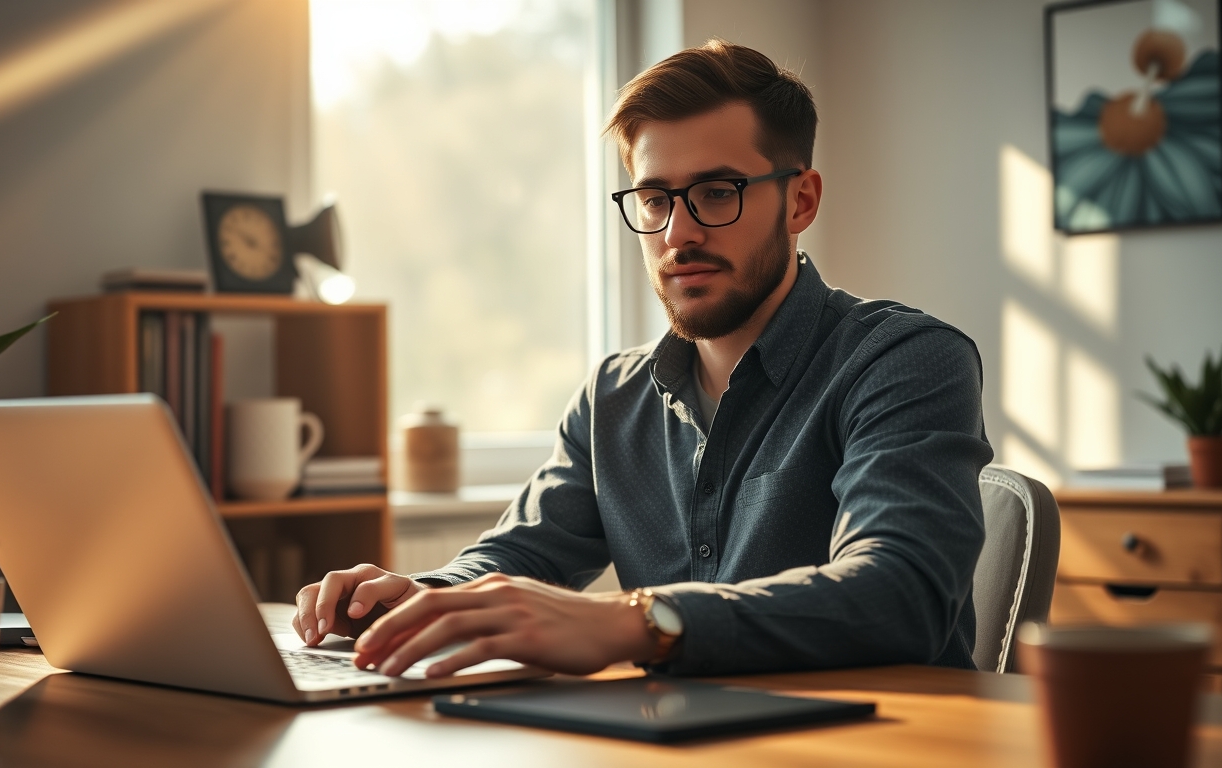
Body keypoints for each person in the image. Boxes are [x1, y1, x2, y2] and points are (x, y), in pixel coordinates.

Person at [292, 40, 992, 679]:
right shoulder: (612, 397)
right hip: (680, 741)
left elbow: (900, 594)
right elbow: (520, 556)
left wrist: (634, 621)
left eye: (717, 193)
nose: (678, 232)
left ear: (800, 200)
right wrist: (425, 597)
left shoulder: (904, 360)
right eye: (654, 200)